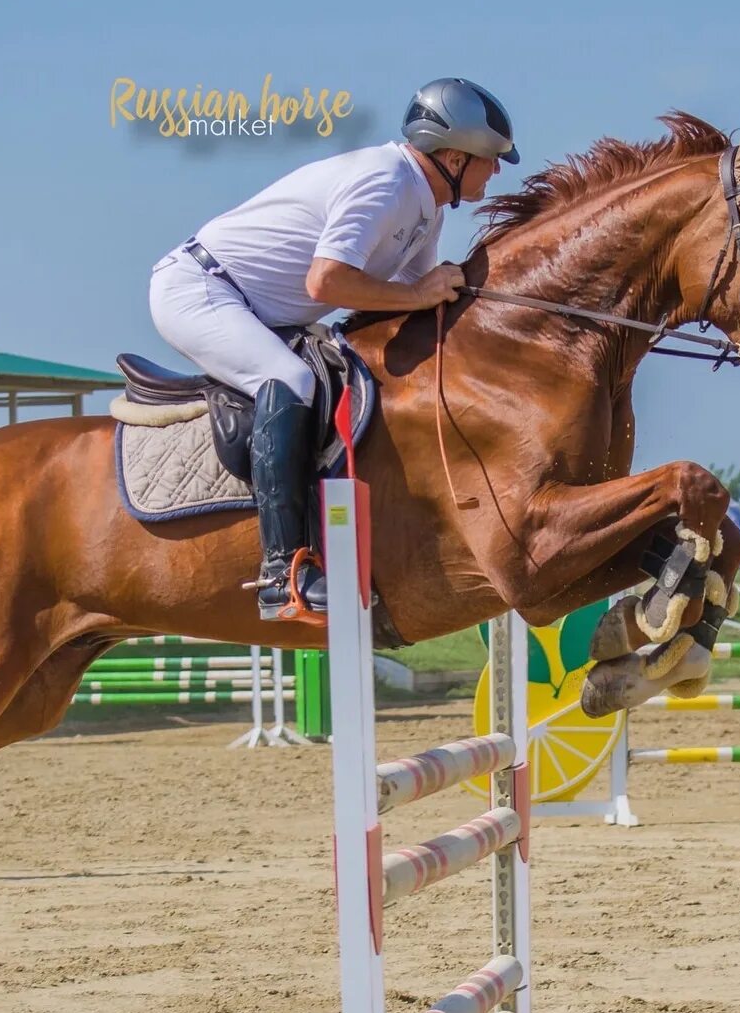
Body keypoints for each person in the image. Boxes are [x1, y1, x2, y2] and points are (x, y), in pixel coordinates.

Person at [148, 78, 519, 620]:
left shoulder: (425, 208)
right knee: (290, 380)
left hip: (259, 309)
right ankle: (283, 571)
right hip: (202, 290)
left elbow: (423, 303)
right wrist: (421, 291)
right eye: (492, 158)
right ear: (456, 157)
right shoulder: (387, 182)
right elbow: (327, 283)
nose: (499, 170)